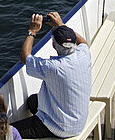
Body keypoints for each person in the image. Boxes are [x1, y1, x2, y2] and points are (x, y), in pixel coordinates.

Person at [12, 11, 91, 139]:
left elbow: (24, 57)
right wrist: (61, 25)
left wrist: (32, 31)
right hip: (78, 122)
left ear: (54, 45)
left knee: (3, 131)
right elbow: (83, 42)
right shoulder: (83, 54)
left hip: (59, 127)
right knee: (33, 101)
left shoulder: (52, 67)